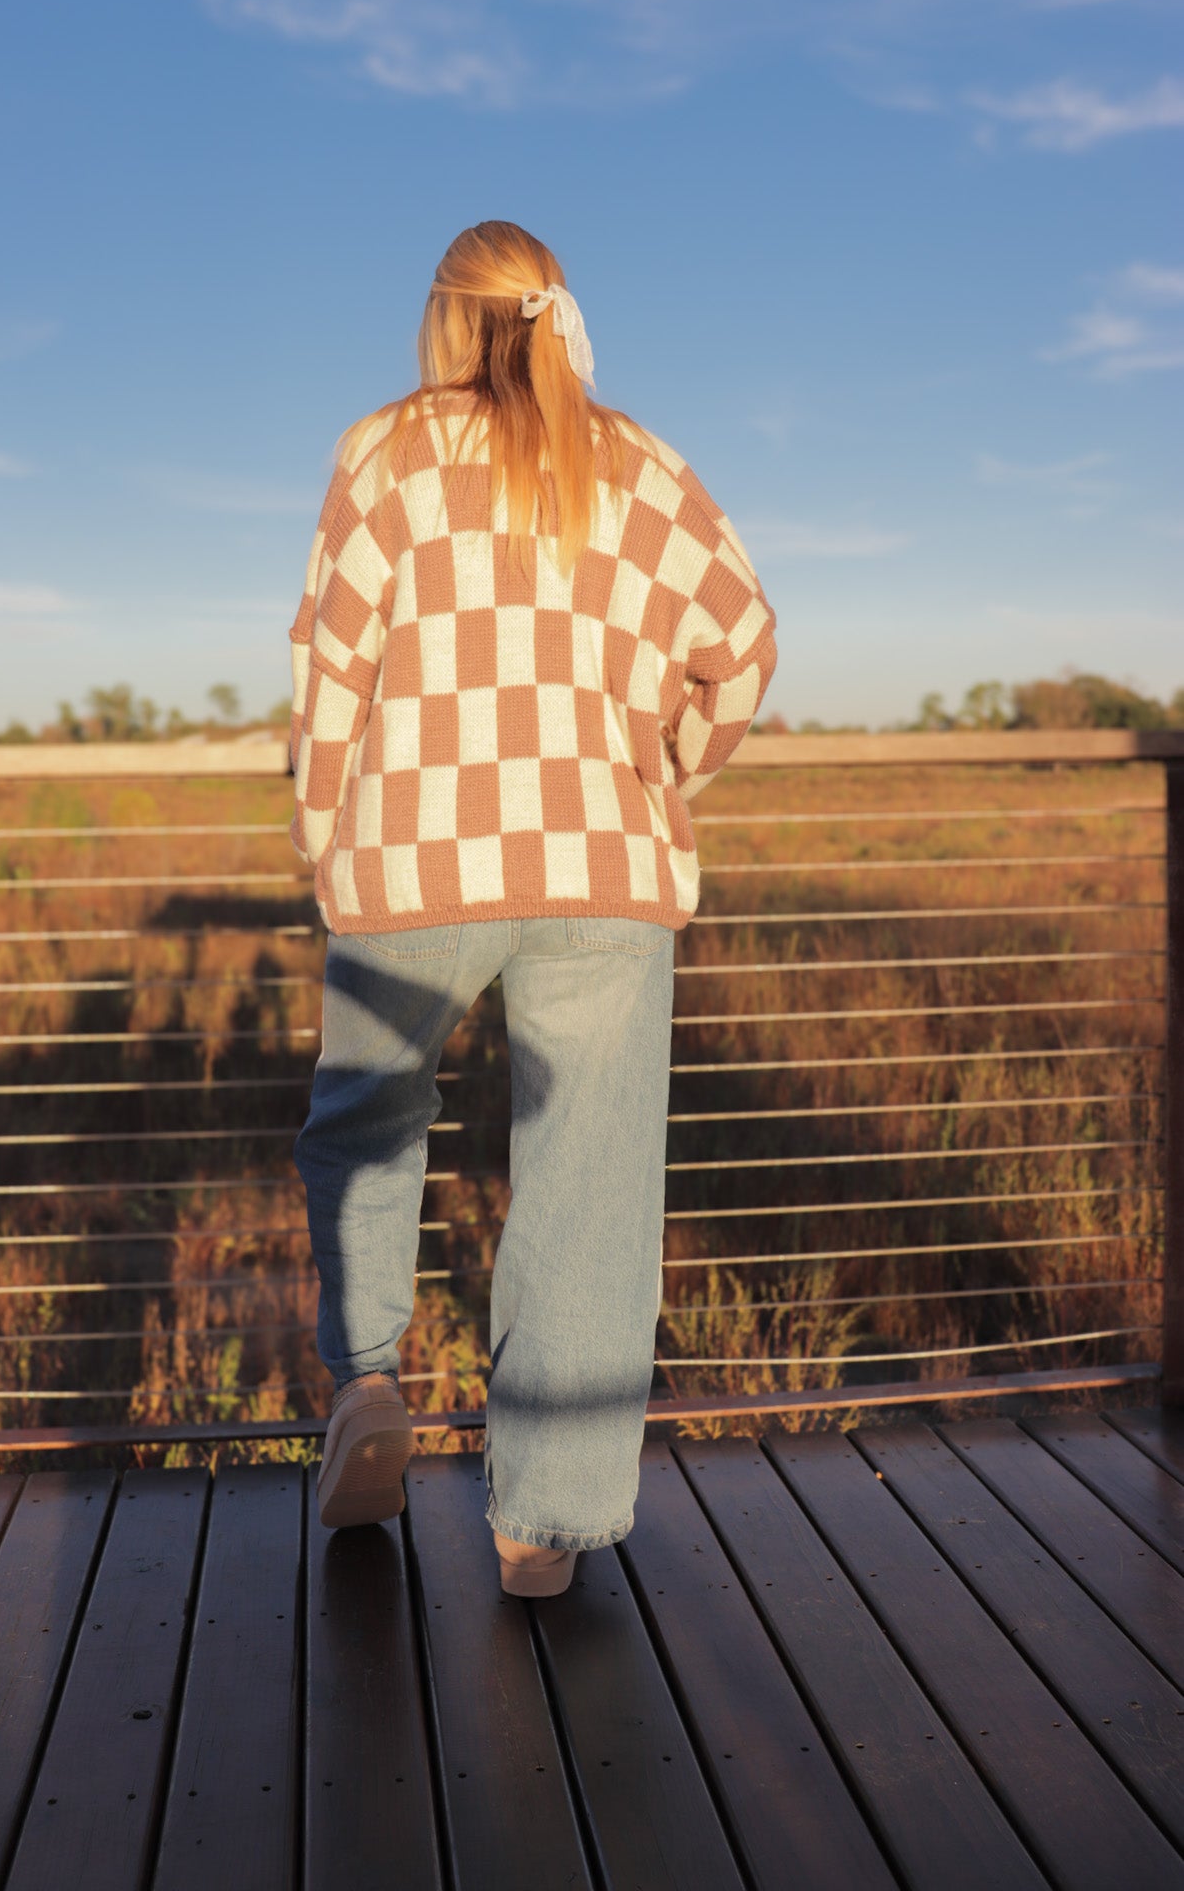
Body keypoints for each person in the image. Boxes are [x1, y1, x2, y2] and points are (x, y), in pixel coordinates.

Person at [290, 220, 777, 1596]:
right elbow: (739, 646)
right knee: (590, 1179)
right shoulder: (643, 463)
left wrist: (328, 843)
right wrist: (663, 767)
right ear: (556, 317)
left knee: (367, 1130)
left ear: (447, 319)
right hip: (605, 868)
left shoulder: (382, 453)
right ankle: (541, 1527)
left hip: (411, 859)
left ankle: (369, 1387)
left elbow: (335, 671)